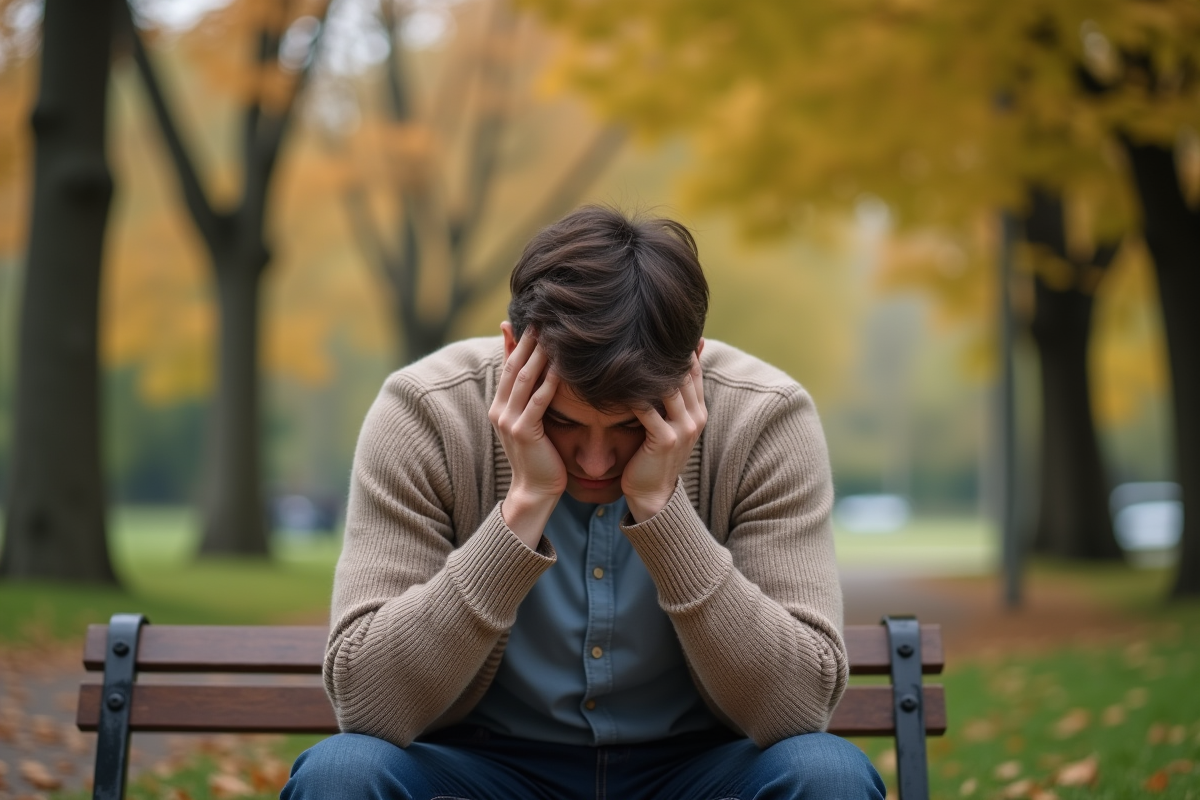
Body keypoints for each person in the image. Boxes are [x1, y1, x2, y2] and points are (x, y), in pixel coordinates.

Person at [282, 206, 884, 799]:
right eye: (565, 421)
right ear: (515, 350)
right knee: (342, 775)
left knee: (825, 775)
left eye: (629, 428)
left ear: (690, 367)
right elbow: (366, 702)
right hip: (482, 764)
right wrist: (523, 506)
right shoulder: (425, 411)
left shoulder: (767, 419)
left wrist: (662, 509)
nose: (595, 463)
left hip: (699, 766)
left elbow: (800, 706)